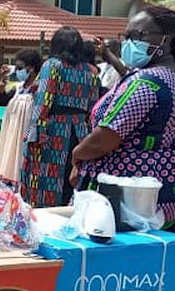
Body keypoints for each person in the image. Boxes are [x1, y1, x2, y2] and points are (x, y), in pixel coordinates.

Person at [73, 6, 175, 226]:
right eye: (126, 36)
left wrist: (77, 155)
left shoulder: (146, 83)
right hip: (162, 194)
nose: (129, 42)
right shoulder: (169, 78)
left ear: (165, 41)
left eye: (137, 36)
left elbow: (104, 139)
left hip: (125, 196)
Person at [21, 26, 99, 208]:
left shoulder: (53, 65)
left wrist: (33, 134)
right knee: (69, 181)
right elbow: (93, 105)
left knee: (45, 180)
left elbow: (44, 100)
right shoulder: (90, 70)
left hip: (53, 131)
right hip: (79, 132)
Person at [0, 49, 41, 185]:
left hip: (24, 133)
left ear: (31, 69)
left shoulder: (38, 89)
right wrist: (3, 82)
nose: (18, 71)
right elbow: (1, 101)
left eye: (20, 68)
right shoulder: (18, 88)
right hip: (11, 132)